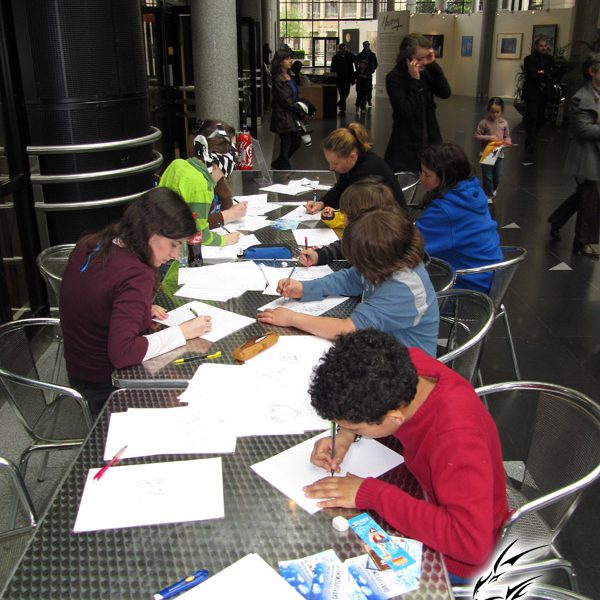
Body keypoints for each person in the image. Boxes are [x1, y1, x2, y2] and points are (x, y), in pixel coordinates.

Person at [303, 329, 509, 582]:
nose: (352, 430)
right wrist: (345, 435)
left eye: (357, 428)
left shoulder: (457, 440)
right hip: (430, 493)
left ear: (393, 418)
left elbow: (470, 544)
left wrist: (372, 494)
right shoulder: (404, 367)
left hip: (455, 559)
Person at [59, 188, 213, 415]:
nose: (175, 255)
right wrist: (182, 332)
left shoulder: (93, 243)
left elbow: (99, 296)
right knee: (199, 393)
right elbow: (122, 354)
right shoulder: (137, 275)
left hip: (77, 372)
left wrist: (139, 308)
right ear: (152, 232)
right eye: (174, 244)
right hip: (108, 385)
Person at [257, 207, 439, 356]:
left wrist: (292, 318)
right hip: (382, 348)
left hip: (413, 370)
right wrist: (304, 288)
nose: (356, 265)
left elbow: (347, 330)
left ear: (376, 259)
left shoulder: (404, 288)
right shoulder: (389, 261)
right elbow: (349, 279)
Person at [416, 142, 503, 293]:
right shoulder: (472, 191)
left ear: (445, 178)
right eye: (421, 172)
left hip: (467, 290)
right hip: (490, 279)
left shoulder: (445, 211)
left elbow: (411, 247)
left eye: (427, 174)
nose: (421, 178)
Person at [548, 53, 600, 259]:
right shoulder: (581, 97)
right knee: (591, 198)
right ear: (592, 72)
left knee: (584, 196)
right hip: (586, 156)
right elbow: (583, 129)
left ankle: (557, 220)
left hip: (595, 152)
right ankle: (582, 242)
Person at [159, 125, 241, 247]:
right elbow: (200, 236)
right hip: (173, 245)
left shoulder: (178, 164)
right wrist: (224, 240)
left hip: (156, 235)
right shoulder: (201, 186)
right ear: (217, 164)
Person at [384, 34, 451, 173]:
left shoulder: (426, 71)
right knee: (407, 181)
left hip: (431, 139)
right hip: (406, 145)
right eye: (420, 59)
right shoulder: (395, 77)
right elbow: (405, 111)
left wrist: (433, 65)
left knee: (435, 178)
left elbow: (445, 92)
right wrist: (415, 81)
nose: (424, 62)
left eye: (427, 57)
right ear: (408, 58)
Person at [304, 123, 406, 214]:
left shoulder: (367, 171)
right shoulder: (354, 160)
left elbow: (352, 205)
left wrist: (333, 211)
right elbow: (340, 187)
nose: (330, 168)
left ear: (352, 157)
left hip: (391, 223)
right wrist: (321, 203)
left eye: (335, 163)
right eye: (329, 162)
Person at [299, 177, 397, 267]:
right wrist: (319, 255)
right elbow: (344, 246)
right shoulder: (364, 237)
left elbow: (353, 276)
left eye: (346, 215)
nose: (344, 220)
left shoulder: (378, 254)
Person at [194, 119, 248, 229]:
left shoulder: (212, 175)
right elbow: (198, 225)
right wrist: (230, 214)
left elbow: (226, 205)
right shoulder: (197, 182)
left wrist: (220, 178)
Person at [270, 49, 308, 170]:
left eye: (290, 58)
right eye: (287, 58)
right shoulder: (278, 79)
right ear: (280, 61)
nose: (290, 61)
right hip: (283, 117)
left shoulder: (290, 76)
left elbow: (295, 94)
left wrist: (303, 104)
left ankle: (280, 163)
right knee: (287, 144)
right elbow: (286, 101)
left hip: (292, 116)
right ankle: (284, 167)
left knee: (295, 142)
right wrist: (300, 107)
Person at [474, 97, 512, 203]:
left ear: (501, 111)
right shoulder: (484, 122)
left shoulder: (504, 123)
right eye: (492, 112)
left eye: (497, 112)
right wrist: (488, 137)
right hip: (487, 152)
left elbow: (507, 136)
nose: (495, 114)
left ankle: (492, 189)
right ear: (488, 110)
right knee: (487, 175)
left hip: (499, 152)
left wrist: (508, 142)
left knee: (498, 175)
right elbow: (477, 135)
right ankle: (488, 194)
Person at [523, 36, 555, 155]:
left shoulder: (550, 59)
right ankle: (531, 141)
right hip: (532, 93)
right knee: (532, 117)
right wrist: (544, 74)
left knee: (540, 118)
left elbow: (553, 73)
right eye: (541, 46)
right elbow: (532, 75)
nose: (543, 48)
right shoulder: (529, 59)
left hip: (544, 93)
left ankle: (533, 138)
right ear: (536, 46)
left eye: (545, 46)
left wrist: (542, 73)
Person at [330, 43, 355, 114]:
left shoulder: (349, 56)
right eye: (342, 49)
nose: (344, 50)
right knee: (342, 93)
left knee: (347, 92)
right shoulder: (336, 57)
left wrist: (350, 53)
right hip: (340, 78)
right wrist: (333, 77)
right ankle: (342, 109)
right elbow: (333, 68)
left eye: (345, 49)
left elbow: (356, 59)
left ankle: (340, 102)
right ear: (340, 49)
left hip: (348, 78)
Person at [356, 41, 378, 106]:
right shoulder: (360, 55)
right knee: (360, 88)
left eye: (368, 45)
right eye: (366, 45)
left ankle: (368, 99)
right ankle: (359, 101)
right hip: (361, 73)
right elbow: (356, 63)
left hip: (369, 74)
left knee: (369, 88)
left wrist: (372, 70)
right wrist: (358, 71)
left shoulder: (372, 55)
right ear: (363, 46)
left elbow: (376, 63)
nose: (367, 46)